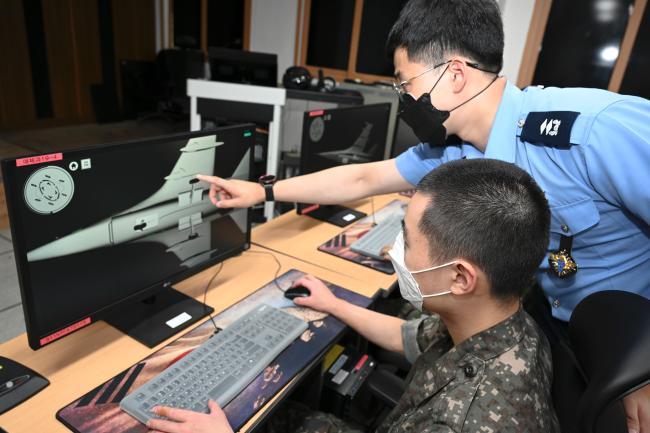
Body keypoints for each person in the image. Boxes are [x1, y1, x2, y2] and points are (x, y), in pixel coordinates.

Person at [196, 0, 650, 429]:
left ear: (453, 73)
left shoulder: (592, 131)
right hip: (554, 332)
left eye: (404, 82)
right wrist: (262, 190)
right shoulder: (455, 152)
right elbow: (361, 180)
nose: (402, 96)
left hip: (629, 348)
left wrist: (644, 362)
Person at [147, 158, 560, 433]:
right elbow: (410, 338)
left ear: (460, 277)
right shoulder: (509, 325)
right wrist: (334, 305)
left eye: (407, 240)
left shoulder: (462, 421)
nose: (394, 251)